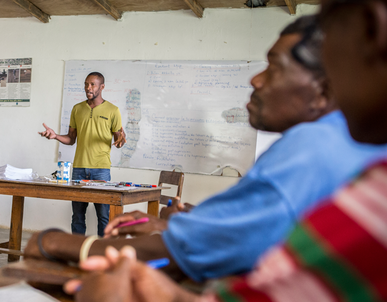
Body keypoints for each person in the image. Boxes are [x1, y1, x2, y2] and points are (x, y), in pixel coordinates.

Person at [67, 0, 387, 302]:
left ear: (370, 31)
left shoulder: (316, 144)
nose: (255, 79)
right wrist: (182, 294)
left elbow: (205, 250)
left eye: (274, 65)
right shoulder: (366, 168)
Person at [26, 15, 387, 283]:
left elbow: (190, 251)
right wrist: (190, 220)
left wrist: (55, 242)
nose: (255, 79)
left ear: (324, 90)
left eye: (274, 67)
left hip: (102, 169)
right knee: (83, 218)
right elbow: (257, 227)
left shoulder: (310, 151)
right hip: (79, 166)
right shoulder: (344, 142)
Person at [39, 72, 126, 236]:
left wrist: (122, 139)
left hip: (101, 170)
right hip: (79, 169)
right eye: (86, 84)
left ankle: (102, 252)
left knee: (104, 217)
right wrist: (55, 136)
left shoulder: (113, 110)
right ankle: (77, 251)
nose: (88, 88)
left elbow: (118, 141)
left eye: (92, 84)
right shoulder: (77, 109)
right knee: (77, 216)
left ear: (102, 87)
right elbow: (71, 139)